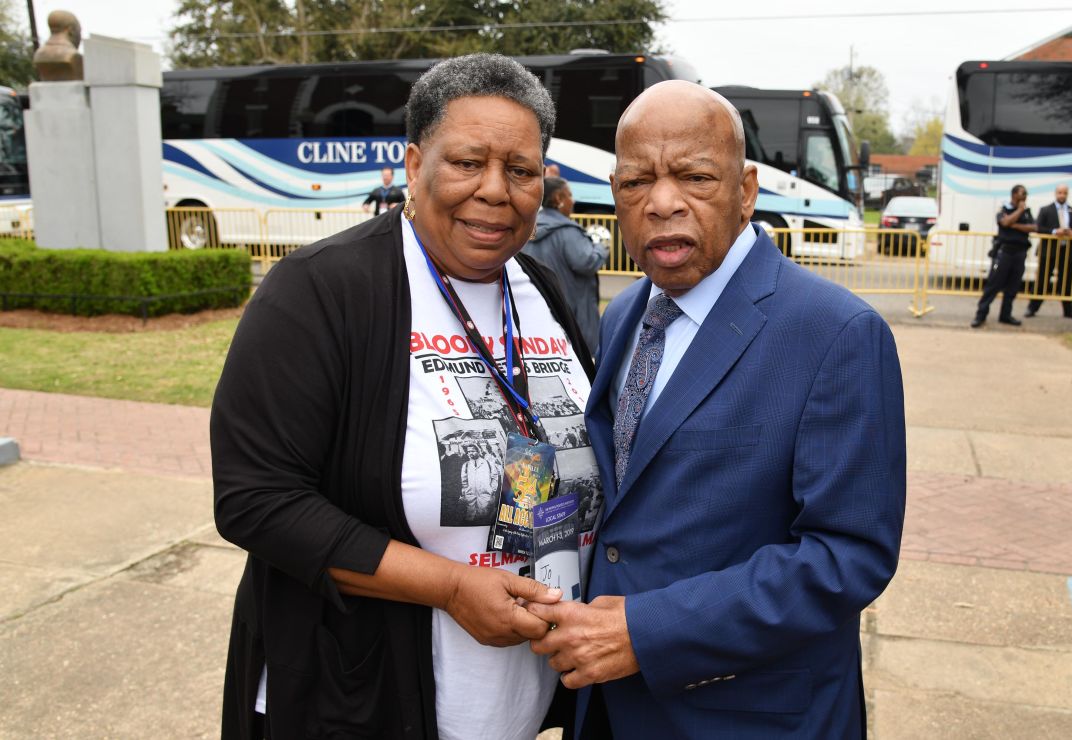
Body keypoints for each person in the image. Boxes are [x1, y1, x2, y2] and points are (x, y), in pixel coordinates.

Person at [212, 53, 603, 739]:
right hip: (363, 701)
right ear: (415, 164)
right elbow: (257, 500)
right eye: (466, 163)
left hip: (517, 701)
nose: (494, 190)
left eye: (520, 170)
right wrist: (450, 586)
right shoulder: (318, 291)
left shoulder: (537, 287)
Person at [527, 81, 906, 738]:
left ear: (747, 188)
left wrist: (647, 632)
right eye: (636, 183)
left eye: (695, 177)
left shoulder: (834, 333)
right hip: (611, 709)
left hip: (750, 716)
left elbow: (847, 556)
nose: (663, 202)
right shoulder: (625, 316)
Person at [522, 177, 609, 350]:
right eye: (569, 195)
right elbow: (587, 262)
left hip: (538, 314)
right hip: (572, 316)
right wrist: (601, 247)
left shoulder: (528, 231)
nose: (573, 200)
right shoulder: (568, 232)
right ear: (559, 199)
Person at [971, 184, 1036, 328]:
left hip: (1020, 253)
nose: (1024, 197)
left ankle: (1005, 315)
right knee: (993, 285)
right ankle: (980, 315)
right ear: (1013, 195)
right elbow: (1005, 222)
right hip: (1004, 252)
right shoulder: (1004, 209)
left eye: (1025, 194)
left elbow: (1034, 227)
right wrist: (1018, 211)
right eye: (1022, 194)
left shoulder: (1027, 212)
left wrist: (1015, 225)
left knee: (1013, 287)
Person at [1026, 183, 1072, 320]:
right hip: (1049, 251)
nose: (1062, 195)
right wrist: (1054, 231)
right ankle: (1032, 307)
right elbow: (1038, 227)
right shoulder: (1046, 210)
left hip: (1067, 251)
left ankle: (1068, 310)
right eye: (1060, 193)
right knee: (1042, 280)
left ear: (1067, 194)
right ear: (1055, 193)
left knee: (1066, 281)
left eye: (1064, 193)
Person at [460, 442, 497, 519]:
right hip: (470, 497)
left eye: (473, 451)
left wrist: (492, 489)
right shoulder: (466, 465)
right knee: (471, 519)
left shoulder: (488, 463)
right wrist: (465, 493)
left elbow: (494, 477)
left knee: (484, 518)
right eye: (469, 452)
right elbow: (464, 481)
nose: (470, 453)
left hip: (485, 496)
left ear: (478, 451)